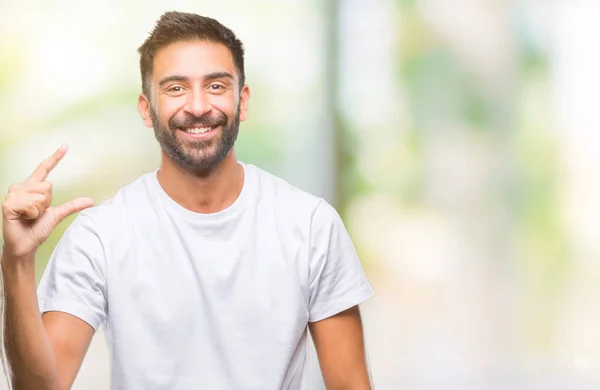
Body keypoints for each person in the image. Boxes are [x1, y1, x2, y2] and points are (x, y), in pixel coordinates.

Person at [1, 11, 374, 390]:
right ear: (147, 109)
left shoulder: (310, 225)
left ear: (242, 101)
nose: (197, 106)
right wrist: (17, 261)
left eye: (215, 86)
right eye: (176, 88)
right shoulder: (100, 236)